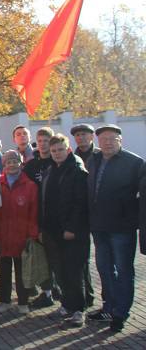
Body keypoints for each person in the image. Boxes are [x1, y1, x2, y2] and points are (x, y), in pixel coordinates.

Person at [85, 124, 145, 333]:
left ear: (120, 141)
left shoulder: (135, 163)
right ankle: (109, 307)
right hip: (99, 227)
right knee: (104, 269)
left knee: (124, 271)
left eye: (112, 139)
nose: (108, 143)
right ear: (98, 142)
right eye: (103, 139)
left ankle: (120, 313)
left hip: (122, 228)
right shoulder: (94, 160)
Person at [41, 134, 90, 327]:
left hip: (72, 232)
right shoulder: (50, 170)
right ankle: (67, 304)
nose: (57, 153)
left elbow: (80, 204)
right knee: (60, 271)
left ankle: (79, 309)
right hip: (52, 231)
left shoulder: (77, 171)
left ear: (68, 149)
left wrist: (72, 228)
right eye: (53, 151)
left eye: (60, 149)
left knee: (74, 272)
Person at [0, 150, 38, 315]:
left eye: (15, 161)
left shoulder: (30, 186)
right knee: (3, 271)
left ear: (21, 163)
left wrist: (32, 234)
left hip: (21, 236)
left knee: (22, 272)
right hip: (2, 235)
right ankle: (4, 300)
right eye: (8, 162)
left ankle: (23, 301)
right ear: (3, 165)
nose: (12, 165)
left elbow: (34, 211)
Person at [23, 127, 60, 309]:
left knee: (58, 257)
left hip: (57, 218)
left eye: (47, 140)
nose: (43, 144)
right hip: (37, 217)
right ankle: (46, 292)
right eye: (40, 141)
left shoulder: (58, 163)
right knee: (42, 257)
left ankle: (59, 289)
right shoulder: (31, 166)